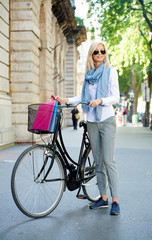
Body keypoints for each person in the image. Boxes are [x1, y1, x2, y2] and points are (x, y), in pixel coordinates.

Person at [52, 41, 120, 215]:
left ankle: (115, 200)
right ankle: (103, 198)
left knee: (108, 161)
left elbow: (115, 97)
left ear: (105, 53)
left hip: (107, 120)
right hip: (91, 121)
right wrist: (66, 100)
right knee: (98, 161)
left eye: (102, 51)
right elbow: (82, 97)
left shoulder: (111, 72)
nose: (99, 54)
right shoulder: (89, 75)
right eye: (96, 51)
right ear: (91, 54)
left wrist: (100, 100)